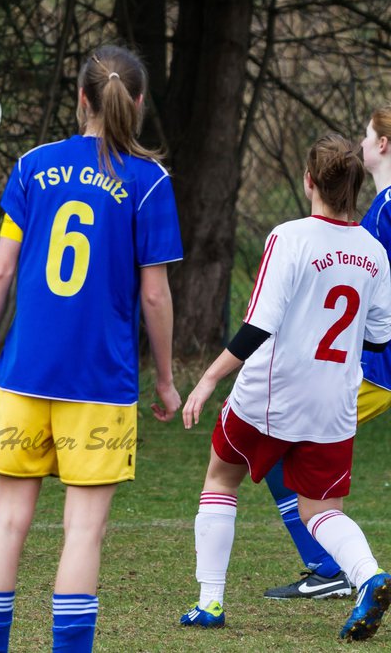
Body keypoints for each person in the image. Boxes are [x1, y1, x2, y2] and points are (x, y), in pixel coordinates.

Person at [0, 45, 183, 653]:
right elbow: (156, 297)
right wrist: (165, 380)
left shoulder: (34, 166)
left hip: (24, 375)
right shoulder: (149, 181)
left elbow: (1, 272)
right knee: (82, 533)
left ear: (81, 99)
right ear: (137, 105)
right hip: (101, 384)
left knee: (8, 524)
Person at [180, 133, 391, 641]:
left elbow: (258, 327)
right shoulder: (373, 250)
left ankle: (210, 602)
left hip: (271, 396)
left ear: (309, 181)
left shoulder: (289, 237)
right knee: (322, 509)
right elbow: (381, 341)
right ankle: (370, 577)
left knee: (221, 478)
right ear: (356, 185)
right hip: (333, 403)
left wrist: (208, 378)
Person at [259, 106, 391, 601]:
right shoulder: (379, 209)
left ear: (381, 146)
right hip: (367, 365)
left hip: (372, 369)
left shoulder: (384, 213)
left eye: (367, 133)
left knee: (280, 444)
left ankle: (330, 568)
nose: (361, 140)